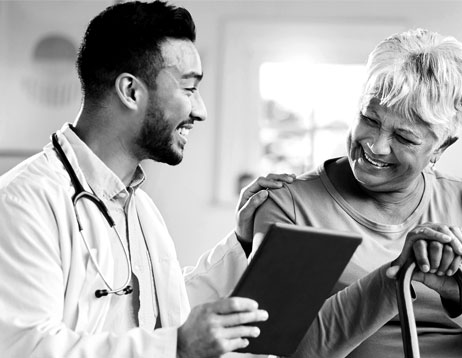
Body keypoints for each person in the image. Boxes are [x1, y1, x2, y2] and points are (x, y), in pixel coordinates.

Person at [0, 2, 296, 357]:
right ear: (130, 91)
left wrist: (241, 243)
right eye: (189, 89)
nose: (199, 111)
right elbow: (23, 347)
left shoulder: (139, 206)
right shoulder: (22, 202)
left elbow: (165, 313)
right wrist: (177, 347)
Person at [248, 29, 462, 357]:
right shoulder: (290, 205)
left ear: (441, 148)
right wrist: (397, 275)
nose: (376, 145)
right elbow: (284, 348)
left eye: (404, 137)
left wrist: (457, 288)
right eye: (369, 118)